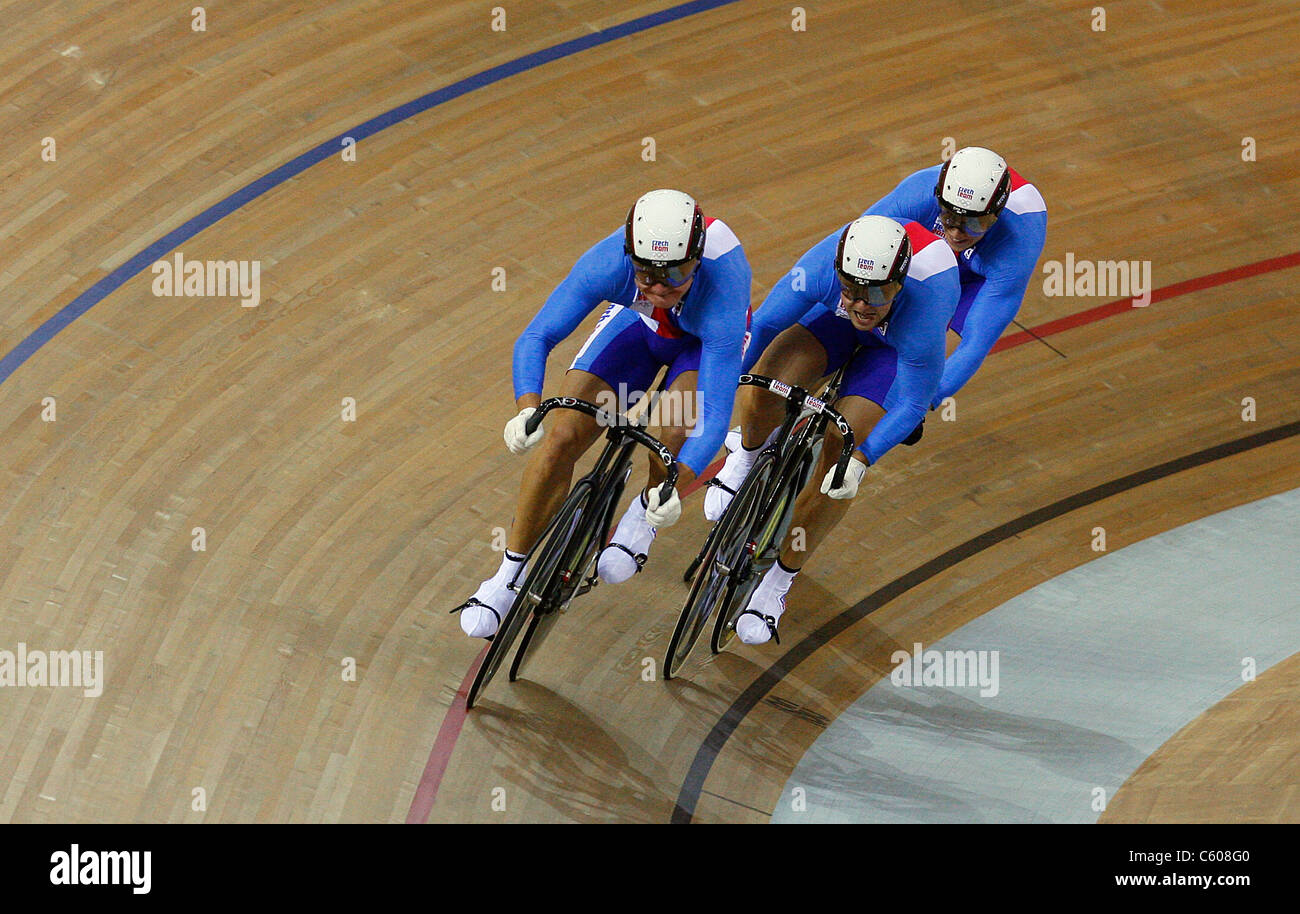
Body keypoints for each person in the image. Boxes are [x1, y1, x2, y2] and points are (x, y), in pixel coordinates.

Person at [455, 189, 752, 638]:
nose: (657, 285)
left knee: (670, 435)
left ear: (695, 261)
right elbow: (537, 336)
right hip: (641, 325)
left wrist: (677, 480)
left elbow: (713, 407)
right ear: (630, 256)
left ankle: (644, 511)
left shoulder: (725, 279)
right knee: (559, 439)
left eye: (674, 274)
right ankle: (507, 577)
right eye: (647, 273)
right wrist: (527, 408)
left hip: (701, 345)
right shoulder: (609, 264)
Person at [704, 214, 959, 645]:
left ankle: (778, 584)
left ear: (898, 283)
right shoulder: (823, 269)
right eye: (853, 291)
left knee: (841, 456)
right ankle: (746, 457)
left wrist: (863, 458)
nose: (862, 304)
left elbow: (915, 399)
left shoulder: (931, 294)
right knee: (767, 382)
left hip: (894, 348)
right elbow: (764, 326)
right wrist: (734, 382)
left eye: (875, 292)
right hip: (830, 323)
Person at [865, 146, 1047, 433]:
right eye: (949, 217)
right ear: (939, 199)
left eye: (974, 223)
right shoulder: (918, 192)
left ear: (996, 215)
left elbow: (975, 341)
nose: (957, 232)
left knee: (915, 371)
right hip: (921, 256)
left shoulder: (1021, 233)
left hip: (974, 280)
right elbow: (852, 246)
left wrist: (927, 400)